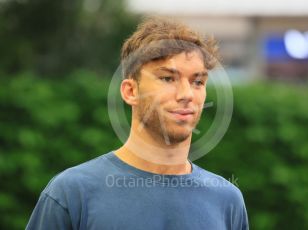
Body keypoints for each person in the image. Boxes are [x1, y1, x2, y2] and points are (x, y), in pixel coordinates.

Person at [26, 17, 249, 230]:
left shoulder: (227, 201)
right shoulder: (72, 193)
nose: (186, 94)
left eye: (198, 81)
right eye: (167, 78)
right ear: (130, 91)